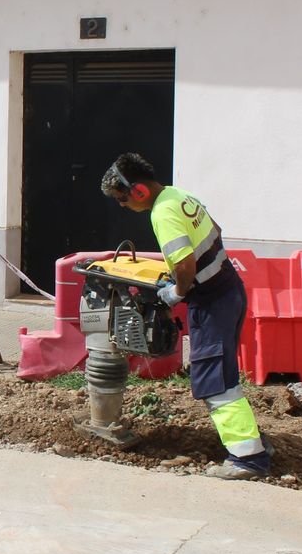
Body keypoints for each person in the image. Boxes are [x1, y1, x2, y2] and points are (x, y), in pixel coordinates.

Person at [101, 152, 272, 480]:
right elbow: (215, 230)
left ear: (138, 191)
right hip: (229, 290)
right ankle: (253, 441)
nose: (123, 206)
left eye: (122, 199)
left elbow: (184, 265)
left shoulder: (162, 212)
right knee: (223, 373)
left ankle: (248, 458)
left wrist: (176, 292)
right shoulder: (179, 196)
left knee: (214, 381)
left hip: (212, 302)